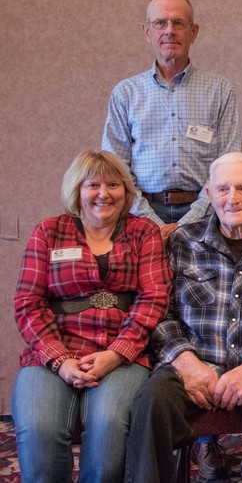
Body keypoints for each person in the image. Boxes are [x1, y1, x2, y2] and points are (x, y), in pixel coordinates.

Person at [124, 152, 242, 483]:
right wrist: (187, 364)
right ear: (209, 194)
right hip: (194, 363)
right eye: (222, 189)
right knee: (150, 401)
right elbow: (158, 311)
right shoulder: (182, 242)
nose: (232, 198)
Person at [11, 150, 171, 483]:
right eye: (93, 184)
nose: (104, 193)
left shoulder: (144, 232)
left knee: (109, 428)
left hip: (123, 351)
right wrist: (60, 360)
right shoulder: (49, 231)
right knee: (39, 428)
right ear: (77, 189)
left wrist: (117, 354)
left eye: (114, 184)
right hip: (53, 350)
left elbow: (154, 299)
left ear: (126, 192)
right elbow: (28, 302)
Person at [102, 0, 240, 240]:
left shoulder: (220, 90)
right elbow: (115, 168)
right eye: (160, 23)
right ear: (147, 32)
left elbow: (228, 165)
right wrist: (150, 221)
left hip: (207, 215)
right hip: (140, 215)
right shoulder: (126, 94)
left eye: (178, 22)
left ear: (193, 32)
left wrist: (189, 221)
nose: (169, 30)